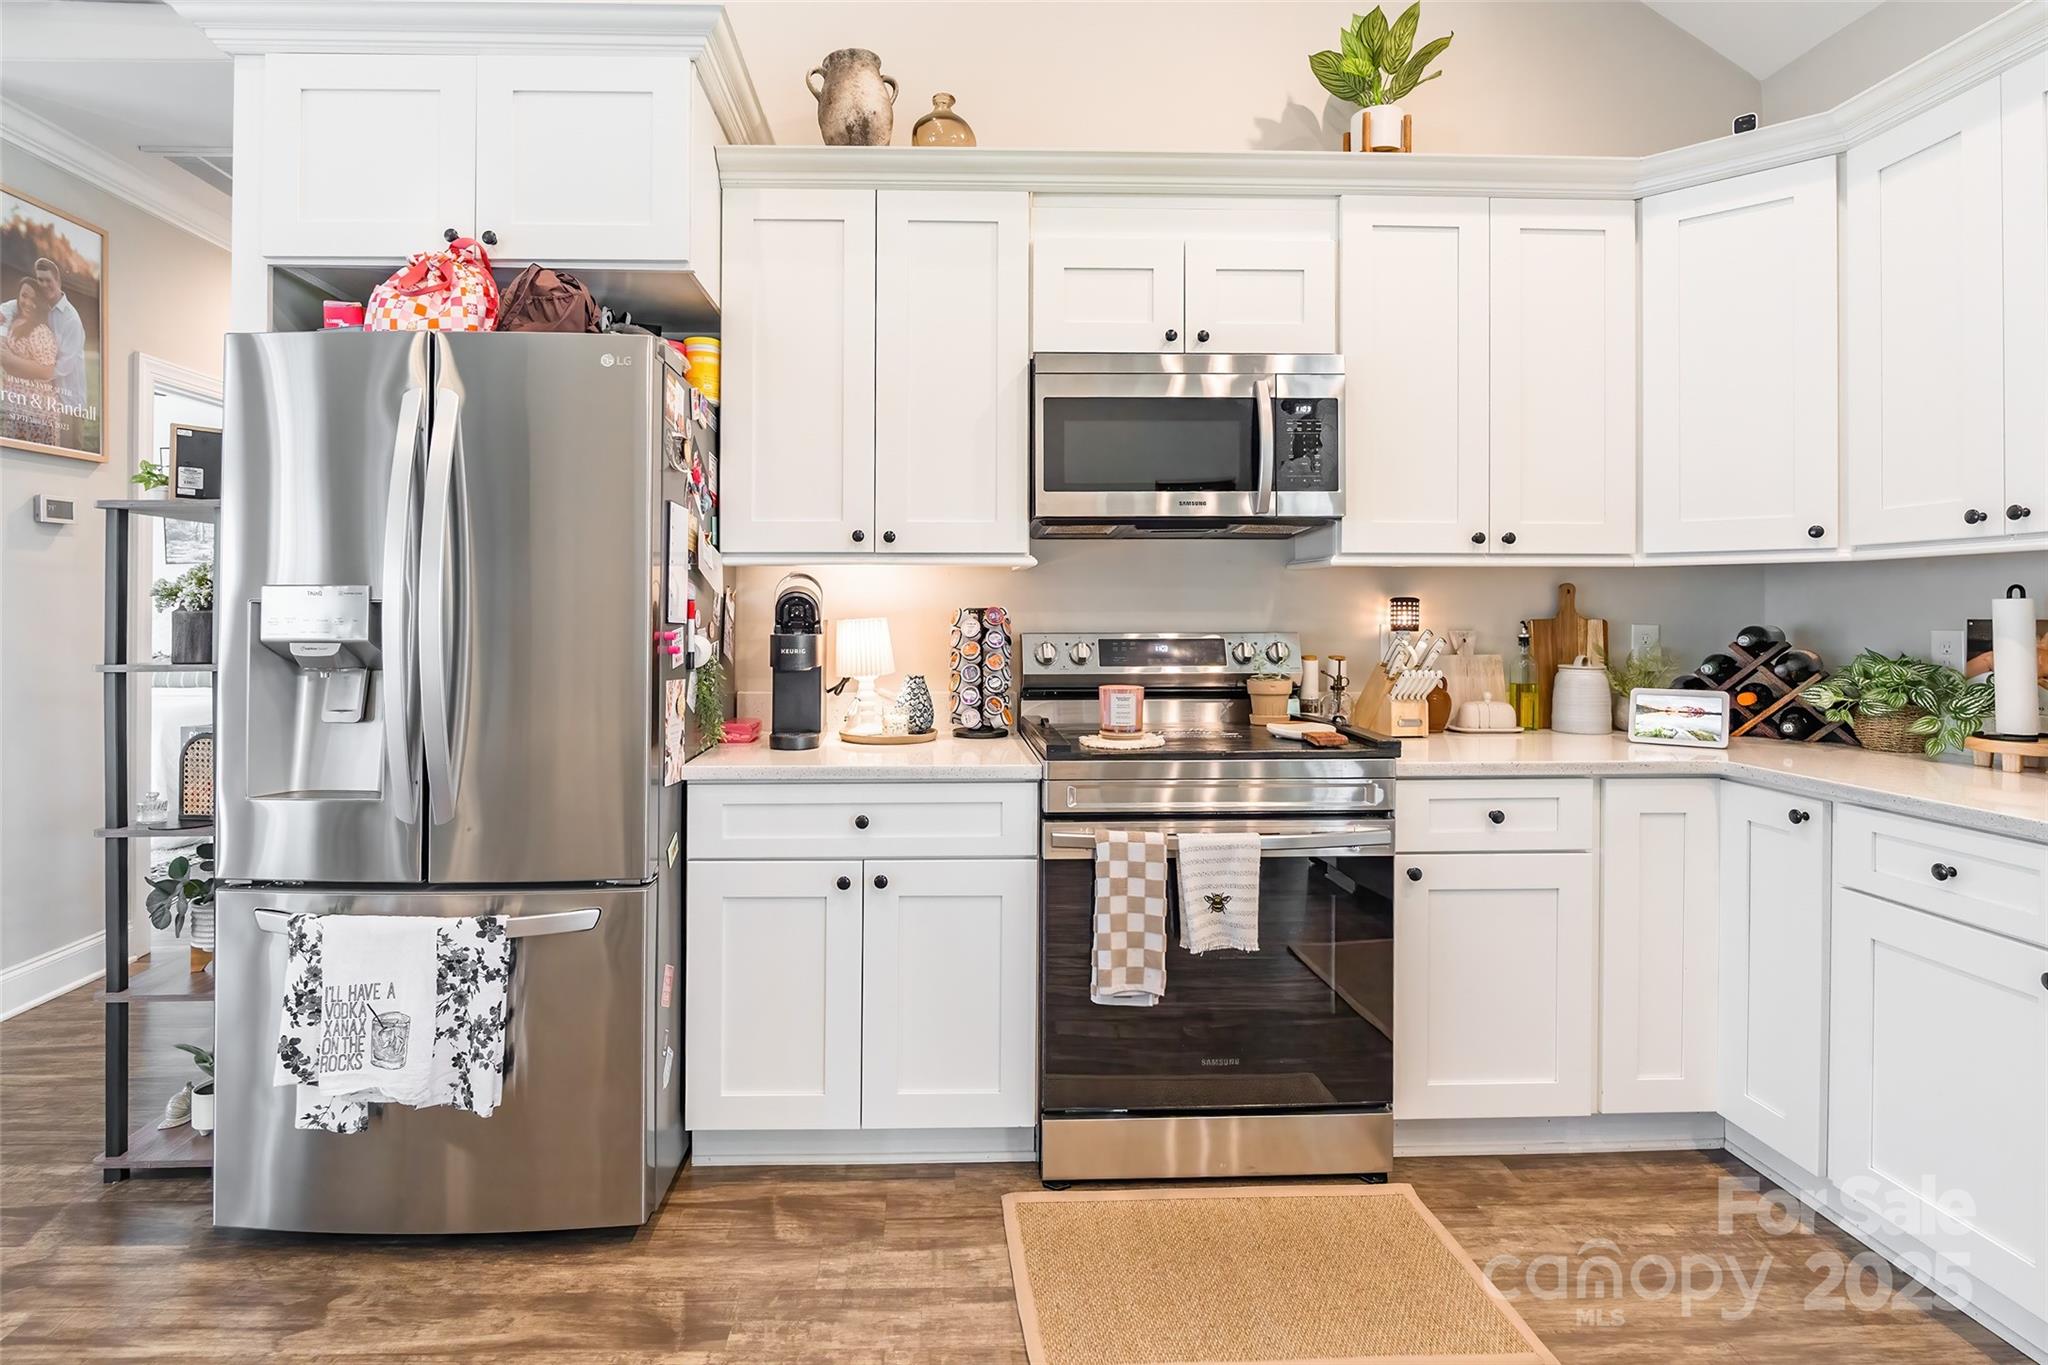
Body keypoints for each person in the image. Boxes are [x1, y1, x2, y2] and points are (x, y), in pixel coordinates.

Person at [0, 259, 86, 437]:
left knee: (66, 459)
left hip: (69, 402)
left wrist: (14, 365)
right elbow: (5, 310)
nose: (44, 285)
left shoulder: (71, 319)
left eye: (48, 280)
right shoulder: (36, 304)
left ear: (58, 281)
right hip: (40, 400)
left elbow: (60, 368)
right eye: (40, 279)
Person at [1, 277, 60, 448]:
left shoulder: (40, 331)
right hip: (15, 404)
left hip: (37, 412)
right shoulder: (14, 317)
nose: (27, 302)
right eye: (24, 296)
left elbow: (47, 371)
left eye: (34, 299)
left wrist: (10, 360)